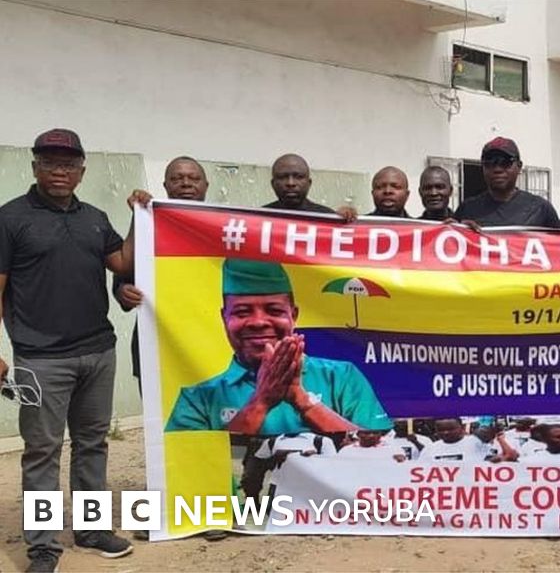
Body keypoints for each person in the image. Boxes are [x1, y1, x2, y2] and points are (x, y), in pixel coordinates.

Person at [0, 128, 151, 571]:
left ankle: (91, 528)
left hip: (98, 352)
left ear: (81, 172)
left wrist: (138, 217)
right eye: (49, 163)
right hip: (40, 359)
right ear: (35, 168)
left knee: (92, 444)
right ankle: (43, 548)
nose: (59, 171)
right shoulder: (10, 218)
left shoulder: (94, 218)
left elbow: (123, 262)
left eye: (68, 164)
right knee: (42, 452)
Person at [164, 259, 391, 435]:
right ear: (224, 318)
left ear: (294, 316)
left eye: (274, 310)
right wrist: (260, 402)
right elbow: (191, 470)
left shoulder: (341, 378)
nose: (258, 322)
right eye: (242, 312)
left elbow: (379, 456)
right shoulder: (197, 400)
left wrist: (303, 401)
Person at [113, 156, 210, 387]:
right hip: (157, 344)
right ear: (165, 185)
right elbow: (123, 278)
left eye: (193, 178)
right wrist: (123, 291)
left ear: (206, 185)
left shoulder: (229, 229)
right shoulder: (148, 223)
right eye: (177, 179)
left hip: (211, 344)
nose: (186, 184)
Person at [454, 137, 560, 228]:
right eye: (489, 162)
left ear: (519, 166)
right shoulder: (467, 209)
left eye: (505, 162)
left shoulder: (540, 209)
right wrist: (458, 229)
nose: (497, 169)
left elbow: (558, 243)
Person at [264, 153, 334, 213]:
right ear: (273, 184)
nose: (290, 183)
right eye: (282, 177)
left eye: (298, 177)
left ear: (309, 183)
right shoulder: (261, 216)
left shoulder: (328, 218)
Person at [417, 418, 494, 463]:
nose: (446, 432)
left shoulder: (476, 442)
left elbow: (492, 460)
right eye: (441, 430)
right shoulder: (430, 448)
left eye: (450, 429)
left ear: (462, 428)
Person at [336, 430, 406, 462]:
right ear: (358, 434)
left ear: (380, 434)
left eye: (375, 432)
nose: (371, 435)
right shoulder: (346, 451)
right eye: (366, 433)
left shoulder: (394, 450)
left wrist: (401, 462)